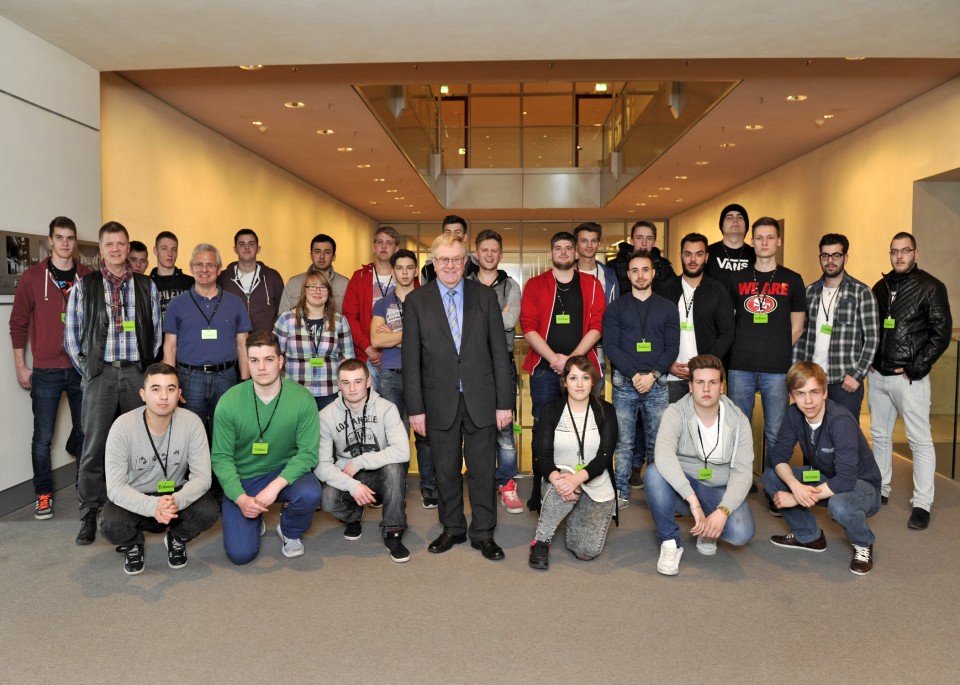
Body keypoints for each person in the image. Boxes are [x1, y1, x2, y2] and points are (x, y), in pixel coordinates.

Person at [402, 234, 513, 560]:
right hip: (438, 402)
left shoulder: (485, 297)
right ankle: (452, 527)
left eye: (456, 259)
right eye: (443, 260)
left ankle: (483, 533)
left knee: (482, 470)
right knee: (445, 470)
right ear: (433, 263)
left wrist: (504, 403)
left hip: (482, 398)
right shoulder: (417, 302)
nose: (450, 266)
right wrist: (416, 409)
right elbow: (411, 362)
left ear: (466, 261)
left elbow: (498, 353)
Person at [65, 221, 162, 545]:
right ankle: (90, 512)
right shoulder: (85, 286)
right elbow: (71, 337)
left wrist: (145, 371)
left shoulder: (146, 286)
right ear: (101, 249)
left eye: (121, 244)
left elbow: (156, 333)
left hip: (136, 373)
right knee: (93, 447)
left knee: (141, 444)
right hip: (101, 375)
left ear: (127, 246)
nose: (116, 249)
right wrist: (90, 372)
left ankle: (142, 509)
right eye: (110, 244)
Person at [211, 331, 322, 564]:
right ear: (247, 362)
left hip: (282, 471)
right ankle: (253, 515)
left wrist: (273, 488)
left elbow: (308, 454)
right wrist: (241, 498)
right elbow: (221, 458)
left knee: (310, 492)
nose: (261, 367)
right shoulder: (229, 402)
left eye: (269, 359)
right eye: (254, 360)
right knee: (241, 555)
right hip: (244, 477)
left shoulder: (302, 399)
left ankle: (289, 530)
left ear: (280, 361)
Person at [764, 361, 882, 575]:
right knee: (772, 477)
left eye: (814, 392)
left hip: (862, 487)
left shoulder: (840, 421)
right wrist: (794, 486)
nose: (808, 401)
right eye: (800, 393)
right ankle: (809, 537)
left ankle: (863, 543)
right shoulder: (794, 414)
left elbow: (846, 479)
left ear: (825, 393)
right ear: (792, 395)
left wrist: (796, 497)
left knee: (840, 505)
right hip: (825, 476)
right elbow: (779, 455)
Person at [101, 363, 218, 574]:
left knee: (208, 511)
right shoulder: (122, 426)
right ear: (143, 394)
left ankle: (177, 537)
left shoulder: (192, 423)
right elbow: (116, 487)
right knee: (110, 523)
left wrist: (174, 501)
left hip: (174, 495)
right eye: (156, 389)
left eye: (170, 389)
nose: (163, 396)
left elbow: (202, 477)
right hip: (137, 495)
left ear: (179, 394)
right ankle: (133, 543)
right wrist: (153, 506)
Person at [868, 232, 951, 529]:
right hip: (878, 377)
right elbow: (872, 328)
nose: (899, 256)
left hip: (909, 379)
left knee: (919, 441)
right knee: (879, 436)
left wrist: (916, 367)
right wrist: (871, 364)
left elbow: (941, 334)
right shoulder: (881, 286)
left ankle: (922, 504)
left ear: (916, 253)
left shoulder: (931, 287)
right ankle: (880, 489)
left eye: (905, 251)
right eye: (894, 251)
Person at [10, 216, 91, 519]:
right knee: (42, 438)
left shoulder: (87, 276)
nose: (65, 243)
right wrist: (21, 366)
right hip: (45, 371)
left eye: (70, 238)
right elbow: (17, 324)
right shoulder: (32, 278)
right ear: (50, 241)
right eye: (59, 237)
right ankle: (43, 494)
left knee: (86, 433)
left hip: (80, 369)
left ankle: (86, 490)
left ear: (75, 242)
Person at [645, 355, 755, 576]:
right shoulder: (675, 412)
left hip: (718, 489)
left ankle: (709, 528)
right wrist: (692, 500)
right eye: (700, 382)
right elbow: (664, 454)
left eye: (713, 382)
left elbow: (743, 471)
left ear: (721, 387)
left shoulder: (738, 420)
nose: (706, 388)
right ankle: (669, 543)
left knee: (740, 532)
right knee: (654, 473)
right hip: (684, 487)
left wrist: (723, 511)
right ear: (690, 386)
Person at [520, 231, 605, 511]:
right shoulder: (535, 284)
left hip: (582, 369)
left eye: (569, 248)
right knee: (544, 430)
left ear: (577, 253)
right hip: (545, 370)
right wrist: (555, 359)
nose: (565, 253)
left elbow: (597, 324)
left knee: (586, 428)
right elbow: (528, 326)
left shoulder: (592, 285)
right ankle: (540, 487)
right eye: (559, 248)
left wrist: (572, 360)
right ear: (551, 254)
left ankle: (583, 483)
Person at [726, 217, 805, 512]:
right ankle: (742, 482)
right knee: (739, 429)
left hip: (776, 368)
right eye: (758, 238)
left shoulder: (792, 279)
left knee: (775, 432)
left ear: (778, 241)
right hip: (741, 366)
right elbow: (732, 320)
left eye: (770, 237)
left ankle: (776, 487)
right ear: (752, 242)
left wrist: (777, 349)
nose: (764, 243)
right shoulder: (737, 280)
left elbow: (797, 325)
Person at [603, 249, 679, 506]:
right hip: (625, 383)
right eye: (635, 270)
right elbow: (611, 346)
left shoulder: (668, 308)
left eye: (645, 269)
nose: (640, 275)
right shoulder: (615, 307)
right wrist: (636, 375)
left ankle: (656, 492)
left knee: (658, 443)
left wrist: (653, 375)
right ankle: (621, 492)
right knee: (623, 442)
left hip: (657, 385)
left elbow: (672, 347)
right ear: (628, 274)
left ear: (654, 273)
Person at [528, 356, 617, 570]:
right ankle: (541, 541)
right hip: (559, 478)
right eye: (573, 377)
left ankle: (574, 510)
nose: (579, 384)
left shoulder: (607, 410)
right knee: (565, 476)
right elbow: (542, 455)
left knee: (586, 551)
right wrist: (560, 481)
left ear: (593, 382)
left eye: (585, 378)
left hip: (594, 481)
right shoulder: (551, 409)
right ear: (564, 382)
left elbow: (605, 456)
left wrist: (577, 479)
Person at [317, 360, 411, 562]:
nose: (352, 388)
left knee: (394, 468)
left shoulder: (387, 408)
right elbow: (321, 466)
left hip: (380, 471)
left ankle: (393, 531)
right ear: (338, 385)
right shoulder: (325, 416)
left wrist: (359, 462)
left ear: (368, 382)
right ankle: (353, 516)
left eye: (358, 381)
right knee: (327, 499)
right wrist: (352, 486)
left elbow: (403, 452)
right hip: (348, 474)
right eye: (346, 382)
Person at [162, 244, 251, 442]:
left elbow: (242, 345)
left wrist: (245, 382)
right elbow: (170, 347)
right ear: (191, 268)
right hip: (189, 378)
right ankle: (196, 474)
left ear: (219, 269)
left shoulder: (235, 303)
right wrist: (170, 386)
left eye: (210, 265)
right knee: (190, 435)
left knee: (227, 433)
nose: (204, 270)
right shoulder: (177, 304)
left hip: (226, 378)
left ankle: (221, 474)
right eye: (199, 264)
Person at [370, 249, 435, 508]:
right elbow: (377, 340)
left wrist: (395, 335)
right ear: (393, 270)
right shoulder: (382, 304)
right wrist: (411, 334)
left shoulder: (429, 301)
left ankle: (429, 485)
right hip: (391, 375)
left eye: (410, 267)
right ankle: (395, 483)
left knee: (424, 432)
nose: (405, 272)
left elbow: (432, 340)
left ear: (416, 270)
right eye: (400, 268)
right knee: (393, 434)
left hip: (422, 373)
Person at [467, 230, 523, 514]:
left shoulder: (510, 285)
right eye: (484, 250)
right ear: (476, 253)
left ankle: (507, 483)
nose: (489, 255)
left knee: (503, 429)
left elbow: (511, 320)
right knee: (475, 426)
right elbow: (459, 321)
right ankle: (482, 481)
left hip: (502, 364)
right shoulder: (464, 283)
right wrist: (495, 314)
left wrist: (479, 315)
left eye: (494, 250)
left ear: (501, 255)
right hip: (470, 367)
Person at [793, 233, 879, 419]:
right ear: (820, 258)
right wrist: (796, 373)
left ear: (845, 258)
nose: (830, 261)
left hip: (844, 383)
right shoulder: (809, 293)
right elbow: (801, 337)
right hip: (811, 381)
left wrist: (857, 375)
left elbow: (872, 339)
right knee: (813, 438)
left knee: (844, 439)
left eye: (836, 255)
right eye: (825, 256)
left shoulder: (861, 292)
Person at [658, 232, 735, 405]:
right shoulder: (665, 290)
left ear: (706, 257)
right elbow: (655, 332)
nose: (693, 259)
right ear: (680, 256)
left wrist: (703, 365)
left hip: (705, 378)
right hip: (671, 376)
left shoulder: (718, 291)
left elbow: (727, 333)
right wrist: (667, 364)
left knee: (704, 428)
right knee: (673, 429)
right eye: (688, 254)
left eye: (699, 254)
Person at [274, 269, 355, 411]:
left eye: (323, 287)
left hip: (329, 392)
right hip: (295, 391)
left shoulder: (340, 321)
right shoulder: (286, 319)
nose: (317, 291)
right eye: (312, 286)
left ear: (328, 292)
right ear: (304, 291)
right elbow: (274, 358)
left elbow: (348, 359)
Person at [342, 226, 400, 390]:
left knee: (395, 410)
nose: (383, 246)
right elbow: (349, 317)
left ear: (396, 249)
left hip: (398, 356)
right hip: (366, 355)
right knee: (366, 407)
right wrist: (369, 348)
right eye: (380, 242)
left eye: (389, 243)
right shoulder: (359, 277)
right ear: (373, 246)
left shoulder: (407, 277)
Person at [217, 228, 284, 333]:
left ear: (258, 249)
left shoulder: (272, 277)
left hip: (264, 343)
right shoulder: (222, 278)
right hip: (232, 341)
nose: (246, 247)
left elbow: (282, 311)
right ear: (235, 249)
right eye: (242, 244)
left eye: (251, 244)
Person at [278, 232, 350, 314]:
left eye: (327, 252)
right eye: (317, 251)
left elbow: (350, 317)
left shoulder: (345, 285)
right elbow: (283, 316)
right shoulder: (293, 283)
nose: (322, 256)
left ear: (334, 257)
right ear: (311, 255)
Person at [705, 203, 755, 289]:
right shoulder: (708, 252)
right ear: (722, 226)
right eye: (729, 217)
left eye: (740, 217)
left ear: (746, 227)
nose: (735, 220)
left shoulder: (755, 254)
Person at [419, 214, 479, 284]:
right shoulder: (428, 269)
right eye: (448, 232)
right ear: (442, 235)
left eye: (457, 232)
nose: (452, 236)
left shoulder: (478, 267)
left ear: (465, 237)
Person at [149, 230, 194, 320]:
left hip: (183, 333)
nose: (170, 254)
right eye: (164, 248)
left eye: (174, 249)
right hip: (155, 334)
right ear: (155, 250)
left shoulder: (190, 282)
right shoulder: (146, 284)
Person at [629, 220, 676, 293]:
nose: (644, 243)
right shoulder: (616, 267)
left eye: (649, 238)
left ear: (654, 242)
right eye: (639, 238)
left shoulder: (665, 267)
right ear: (632, 240)